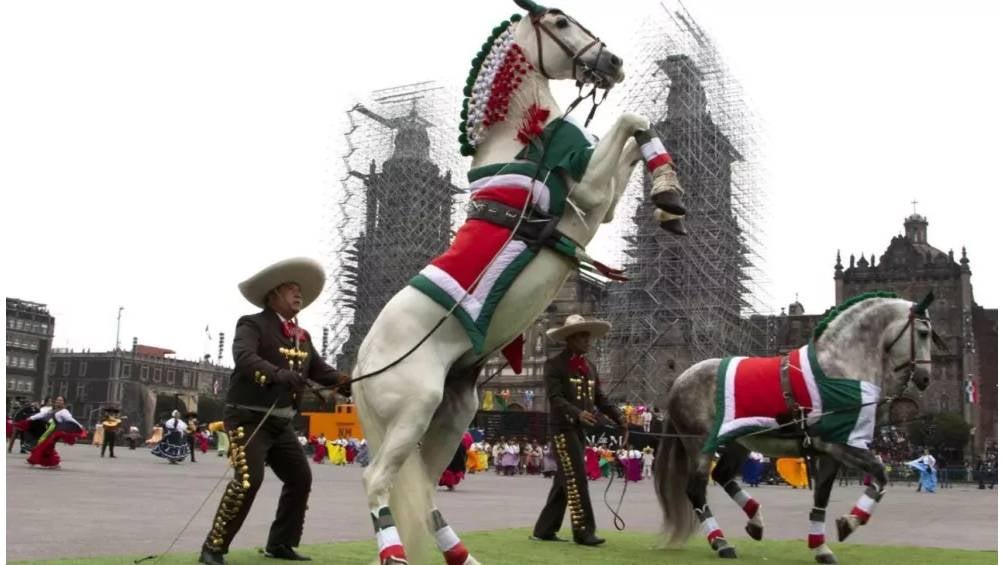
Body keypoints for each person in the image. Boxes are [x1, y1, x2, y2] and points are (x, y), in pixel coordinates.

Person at [199, 257, 351, 565]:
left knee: (300, 478)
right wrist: (277, 373)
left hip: (280, 424)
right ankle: (213, 548)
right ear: (273, 295)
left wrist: (356, 382)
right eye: (291, 290)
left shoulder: (302, 337)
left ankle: (281, 544)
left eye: (300, 291)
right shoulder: (252, 324)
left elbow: (322, 372)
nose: (299, 295)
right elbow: (244, 356)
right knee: (247, 480)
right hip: (248, 418)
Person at [532, 314, 627, 547]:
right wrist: (577, 413)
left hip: (578, 431)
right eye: (583, 337)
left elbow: (600, 399)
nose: (588, 341)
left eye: (588, 336)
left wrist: (619, 418)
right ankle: (584, 532)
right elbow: (555, 398)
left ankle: (544, 529)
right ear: (570, 339)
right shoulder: (554, 365)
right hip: (562, 430)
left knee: (564, 481)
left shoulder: (590, 367)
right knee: (576, 478)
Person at [20, 396, 85, 468]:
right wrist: (31, 418)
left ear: (64, 403)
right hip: (49, 430)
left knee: (44, 445)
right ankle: (54, 463)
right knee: (48, 447)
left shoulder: (64, 411)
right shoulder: (51, 409)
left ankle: (32, 460)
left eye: (60, 400)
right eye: (57, 400)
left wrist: (80, 425)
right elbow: (42, 415)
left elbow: (70, 419)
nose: (58, 401)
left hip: (56, 432)